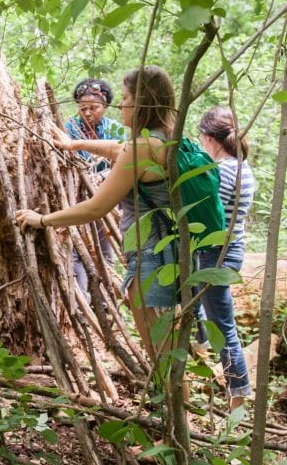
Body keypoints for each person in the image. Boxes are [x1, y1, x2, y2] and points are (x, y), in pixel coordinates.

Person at [17, 66, 179, 366]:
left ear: (142, 102)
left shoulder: (143, 148)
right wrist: (73, 143)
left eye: (127, 97)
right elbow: (118, 149)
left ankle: (171, 411)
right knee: (168, 350)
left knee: (162, 355)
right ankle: (173, 410)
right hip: (169, 252)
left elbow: (96, 207)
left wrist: (41, 220)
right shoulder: (165, 137)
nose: (122, 104)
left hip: (151, 257)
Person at [195, 106, 256, 411]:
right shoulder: (243, 167)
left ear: (209, 138)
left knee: (224, 324)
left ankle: (239, 396)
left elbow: (208, 215)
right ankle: (202, 343)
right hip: (231, 249)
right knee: (198, 304)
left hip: (215, 253)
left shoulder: (220, 171)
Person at [61, 78, 124, 299]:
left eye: (94, 108)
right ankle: (84, 300)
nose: (87, 113)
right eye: (83, 108)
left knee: (104, 249)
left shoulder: (116, 130)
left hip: (106, 197)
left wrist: (104, 176)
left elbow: (123, 159)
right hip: (76, 196)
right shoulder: (67, 129)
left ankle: (106, 300)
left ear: (105, 107)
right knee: (78, 249)